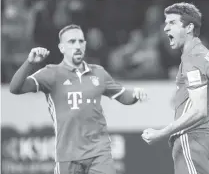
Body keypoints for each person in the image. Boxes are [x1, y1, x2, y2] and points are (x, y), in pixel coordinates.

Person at [10, 24, 147, 174]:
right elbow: (15, 88)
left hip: (99, 152)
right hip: (67, 154)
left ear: (85, 45)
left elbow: (123, 96)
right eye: (72, 42)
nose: (77, 46)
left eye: (81, 41)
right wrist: (29, 63)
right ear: (61, 48)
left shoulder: (98, 73)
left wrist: (135, 94)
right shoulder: (51, 74)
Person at [142, 2, 209, 174]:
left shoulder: (192, 58)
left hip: (191, 137)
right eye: (165, 22)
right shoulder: (208, 56)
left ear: (189, 28)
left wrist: (161, 133)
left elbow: (199, 110)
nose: (165, 28)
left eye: (172, 23)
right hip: (205, 139)